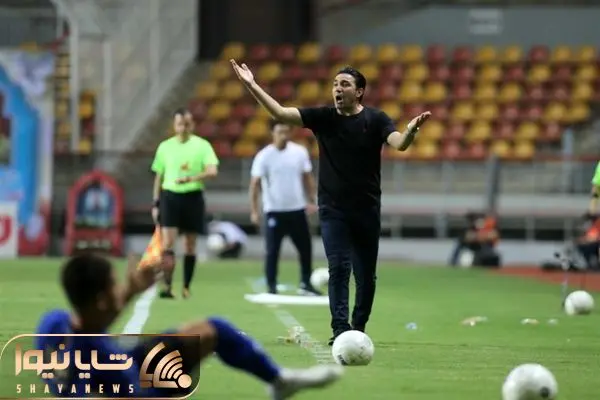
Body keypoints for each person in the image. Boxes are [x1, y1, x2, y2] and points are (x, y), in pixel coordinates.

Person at [230, 59, 431, 345]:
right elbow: (280, 113)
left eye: (344, 84)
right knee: (338, 267)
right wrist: (252, 85)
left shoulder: (376, 119)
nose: (337, 89)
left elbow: (399, 143)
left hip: (367, 209)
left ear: (359, 92)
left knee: (366, 276)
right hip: (333, 209)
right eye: (335, 84)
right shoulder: (324, 118)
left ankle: (358, 327)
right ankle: (340, 330)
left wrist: (410, 130)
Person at [34, 254, 344, 399]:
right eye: (115, 285)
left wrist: (130, 292)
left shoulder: (53, 323)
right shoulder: (93, 370)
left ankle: (279, 381)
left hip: (125, 364)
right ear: (102, 299)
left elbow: (92, 327)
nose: (120, 288)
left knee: (210, 330)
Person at [151, 108, 219, 299]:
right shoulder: (165, 147)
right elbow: (159, 176)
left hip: (192, 197)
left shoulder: (202, 146)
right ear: (174, 125)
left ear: (192, 125)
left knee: (190, 245)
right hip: (170, 197)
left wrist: (192, 178)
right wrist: (156, 202)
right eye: (180, 124)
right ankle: (168, 286)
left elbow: (212, 171)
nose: (183, 128)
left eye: (187, 124)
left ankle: (186, 287)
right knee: (168, 243)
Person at [249, 121, 320, 295]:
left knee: (305, 248)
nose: (284, 135)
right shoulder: (264, 156)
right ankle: (271, 285)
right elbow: (255, 184)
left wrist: (312, 199)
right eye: (280, 132)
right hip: (274, 210)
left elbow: (307, 177)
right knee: (272, 251)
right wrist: (254, 210)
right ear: (272, 133)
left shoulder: (299, 152)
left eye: (287, 132)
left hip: (297, 209)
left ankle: (306, 283)